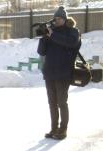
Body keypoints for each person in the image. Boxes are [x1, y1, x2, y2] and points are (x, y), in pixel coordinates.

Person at [37, 6, 81, 140]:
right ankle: (54, 128)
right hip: (50, 73)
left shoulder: (72, 32)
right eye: (55, 18)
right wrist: (44, 37)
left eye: (60, 18)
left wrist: (52, 35)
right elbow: (41, 51)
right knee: (52, 103)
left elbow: (72, 43)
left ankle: (63, 130)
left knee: (62, 102)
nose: (57, 21)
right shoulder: (52, 32)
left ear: (65, 19)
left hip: (63, 73)